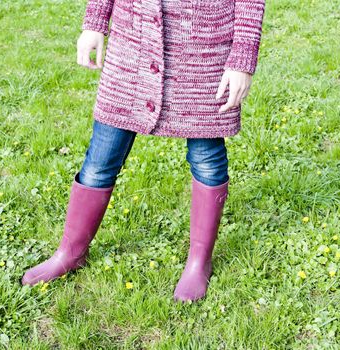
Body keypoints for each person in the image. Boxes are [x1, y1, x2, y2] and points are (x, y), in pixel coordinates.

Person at [22, 0, 266, 303]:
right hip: (132, 43)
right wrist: (94, 22)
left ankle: (198, 262)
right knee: (100, 159)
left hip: (203, 49)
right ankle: (70, 253)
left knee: (206, 159)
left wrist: (242, 59)